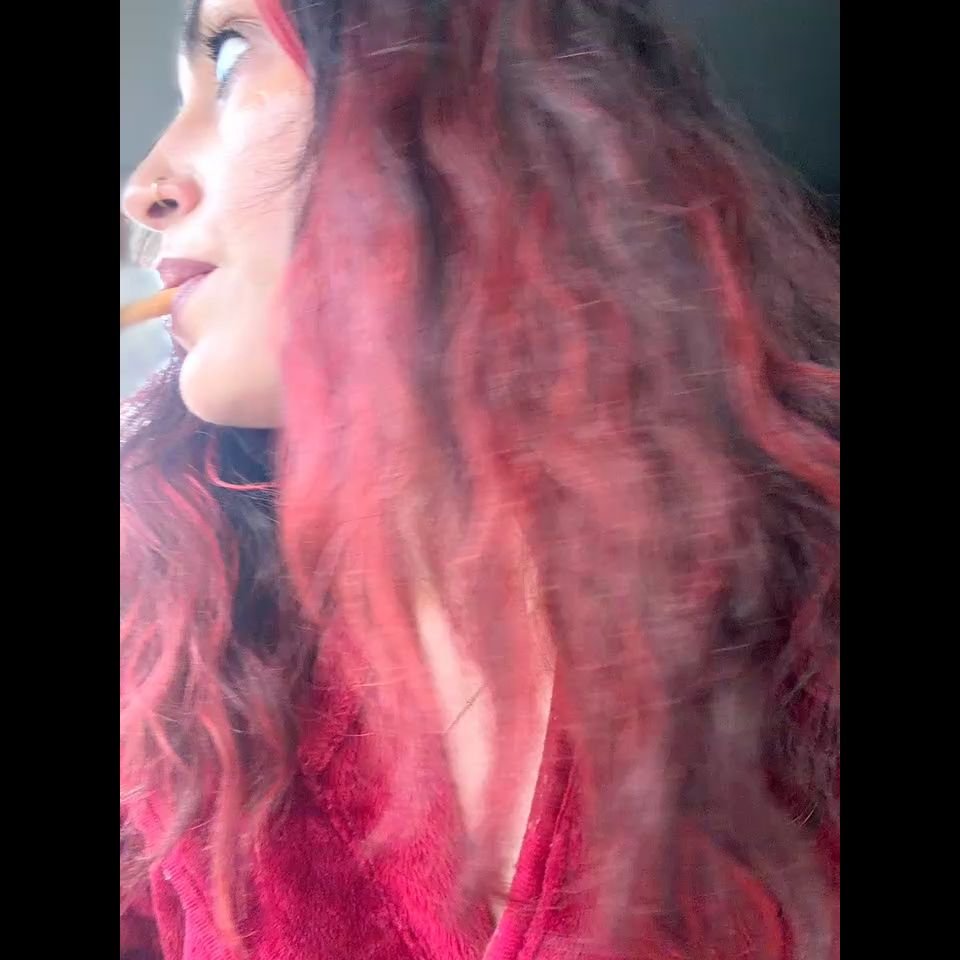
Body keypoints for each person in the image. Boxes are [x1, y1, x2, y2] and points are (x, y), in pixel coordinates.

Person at [120, 1, 840, 958]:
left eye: (232, 55)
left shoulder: (804, 617)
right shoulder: (173, 654)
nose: (144, 188)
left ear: (472, 98)